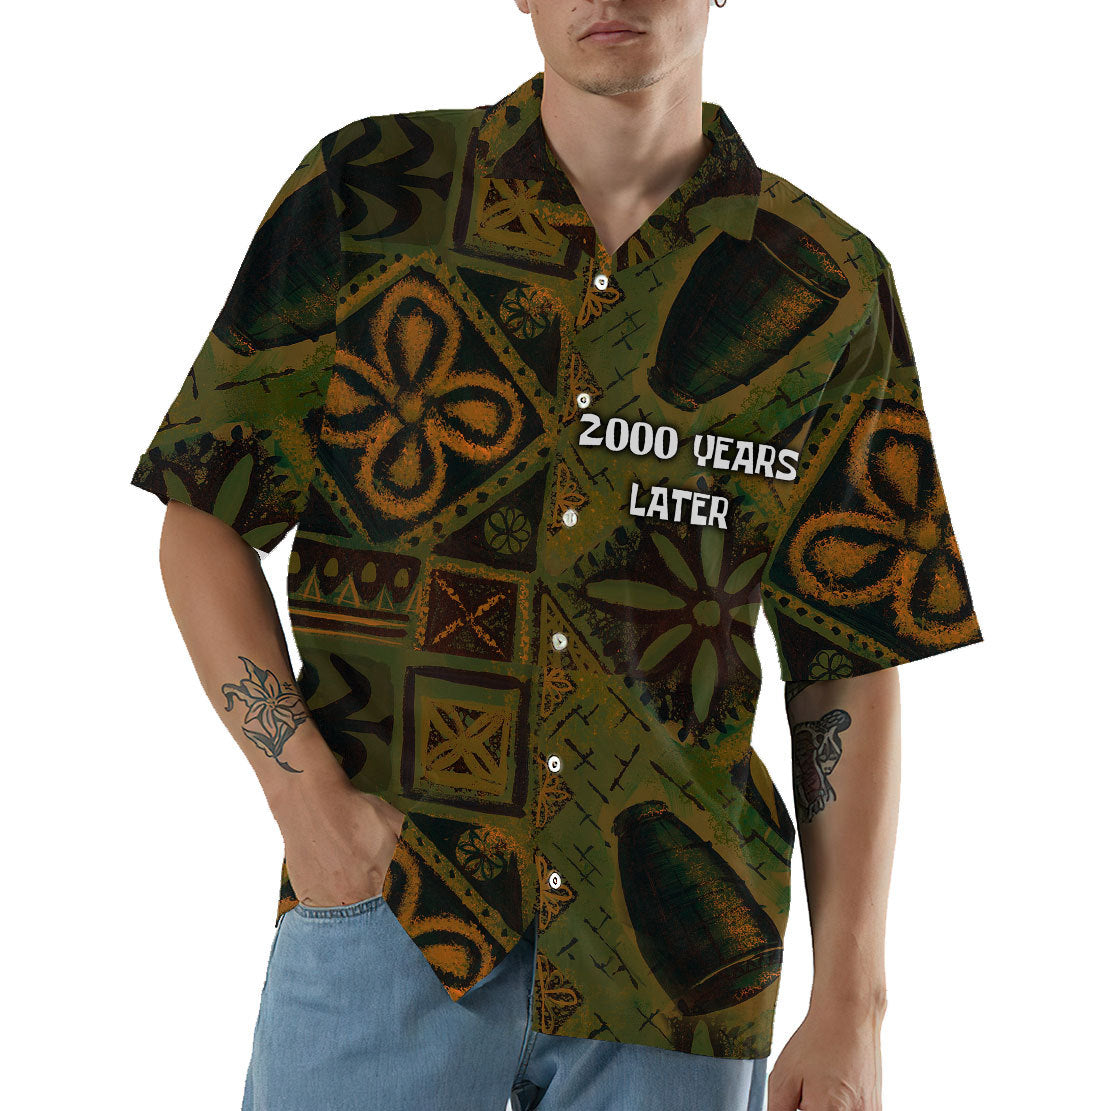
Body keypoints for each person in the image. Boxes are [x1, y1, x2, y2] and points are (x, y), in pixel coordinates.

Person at [129, 2, 984, 1108]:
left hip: (679, 966)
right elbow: (203, 513)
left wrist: (852, 1004)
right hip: (395, 918)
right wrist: (311, 811)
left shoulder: (823, 284)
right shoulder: (373, 193)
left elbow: (850, 652)